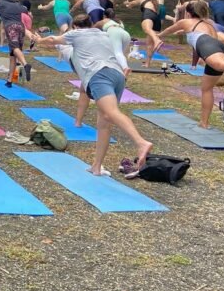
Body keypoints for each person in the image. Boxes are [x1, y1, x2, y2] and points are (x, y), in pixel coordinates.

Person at [36, 15, 154, 176]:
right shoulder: (103, 35)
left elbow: (52, 40)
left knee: (111, 113)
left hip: (99, 74)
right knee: (104, 124)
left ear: (77, 27)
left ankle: (141, 143)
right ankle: (96, 166)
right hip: (117, 75)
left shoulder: (76, 34)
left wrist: (38, 40)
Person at [157, 0, 224, 127]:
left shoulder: (186, 22)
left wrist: (158, 35)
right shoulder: (209, 24)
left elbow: (168, 30)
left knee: (222, 64)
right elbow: (211, 39)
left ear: (188, 13)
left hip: (207, 45)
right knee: (206, 88)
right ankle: (204, 123)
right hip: (216, 47)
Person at [0, 0, 32, 86]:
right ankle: (9, 81)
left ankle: (25, 64)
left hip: (10, 27)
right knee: (13, 56)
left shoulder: (1, 2)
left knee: (14, 48)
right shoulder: (18, 5)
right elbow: (26, 11)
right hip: (21, 27)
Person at [125, 0, 163, 68]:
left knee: (147, 29)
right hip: (156, 19)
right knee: (149, 44)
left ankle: (157, 40)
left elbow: (131, 4)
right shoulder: (155, 2)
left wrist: (127, 3)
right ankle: (147, 63)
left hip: (148, 14)